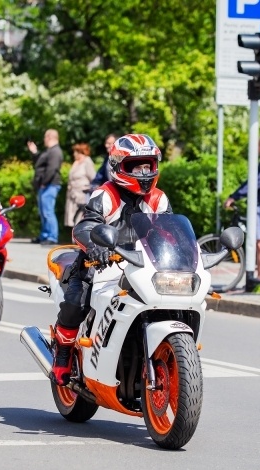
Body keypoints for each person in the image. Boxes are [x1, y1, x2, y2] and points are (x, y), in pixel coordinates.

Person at [50, 134, 171, 385]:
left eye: (147, 165)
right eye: (135, 166)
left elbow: (171, 232)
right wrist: (95, 246)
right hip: (101, 265)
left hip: (142, 267)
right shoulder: (105, 195)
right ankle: (62, 353)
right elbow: (85, 227)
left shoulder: (158, 199)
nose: (143, 172)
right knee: (76, 302)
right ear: (118, 167)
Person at [224, 134, 260, 290]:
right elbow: (252, 182)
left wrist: (235, 197)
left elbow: (255, 183)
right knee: (259, 243)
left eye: (259, 144)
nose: (257, 147)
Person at [28, 129, 63, 246]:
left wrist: (44, 182)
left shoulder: (55, 151)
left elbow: (52, 169)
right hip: (45, 185)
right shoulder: (49, 151)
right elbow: (40, 163)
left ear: (49, 137)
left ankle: (52, 237)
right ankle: (44, 235)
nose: (44, 140)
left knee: (48, 212)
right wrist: (34, 152)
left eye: (45, 137)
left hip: (50, 185)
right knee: (43, 212)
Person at [65, 143, 96, 227]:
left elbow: (93, 178)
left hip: (82, 194)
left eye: (75, 152)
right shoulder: (76, 162)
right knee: (73, 218)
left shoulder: (87, 161)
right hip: (73, 194)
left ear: (80, 152)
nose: (74, 154)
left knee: (80, 217)